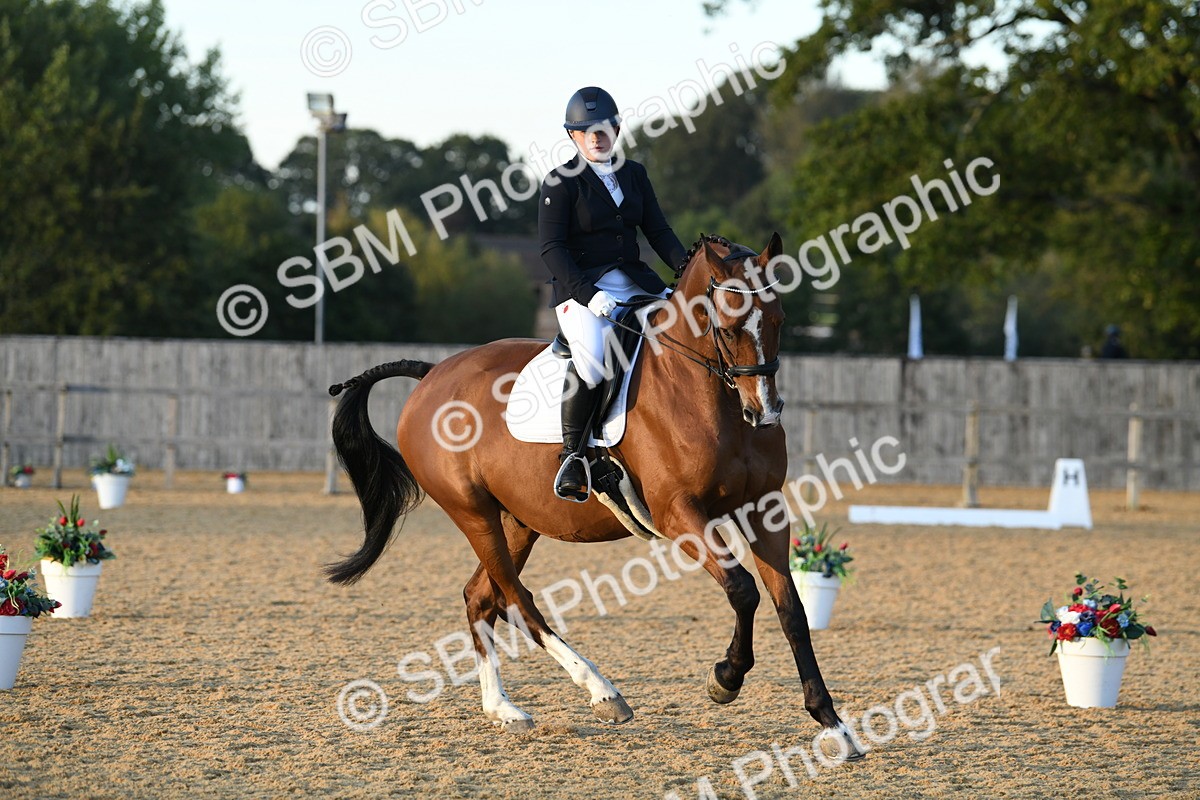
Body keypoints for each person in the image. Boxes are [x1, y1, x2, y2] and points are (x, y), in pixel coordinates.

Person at [539, 86, 687, 501]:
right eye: (586, 131)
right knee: (594, 360)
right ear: (573, 135)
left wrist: (688, 273)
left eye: (604, 129)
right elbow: (552, 249)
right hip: (579, 290)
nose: (596, 137)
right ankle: (573, 457)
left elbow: (658, 231)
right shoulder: (560, 183)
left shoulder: (635, 174)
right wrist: (588, 295)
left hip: (636, 282)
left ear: (617, 129)